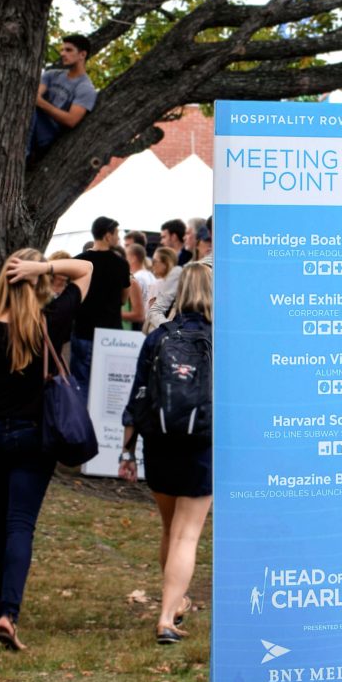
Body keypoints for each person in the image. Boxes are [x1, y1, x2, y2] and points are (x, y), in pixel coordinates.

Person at [0, 250, 92, 651]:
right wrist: (43, 267)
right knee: (20, 524)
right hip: (32, 436)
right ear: (38, 284)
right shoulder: (47, 323)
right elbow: (86, 268)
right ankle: (9, 612)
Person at [119, 263, 212, 644]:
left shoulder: (157, 338)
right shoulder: (222, 339)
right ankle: (166, 617)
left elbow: (137, 397)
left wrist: (127, 449)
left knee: (169, 529)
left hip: (158, 442)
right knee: (186, 536)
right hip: (201, 444)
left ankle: (175, 604)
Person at [70, 216, 130, 401]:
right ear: (107, 235)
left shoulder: (79, 261)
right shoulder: (120, 264)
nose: (118, 238)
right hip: (111, 334)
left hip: (83, 331)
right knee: (108, 386)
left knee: (81, 384)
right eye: (117, 233)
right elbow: (124, 298)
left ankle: (81, 426)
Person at [28, 34, 97, 159]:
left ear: (82, 55)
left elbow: (71, 120)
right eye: (62, 50)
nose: (63, 54)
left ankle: (22, 155)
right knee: (27, 107)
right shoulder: (51, 75)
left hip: (48, 134)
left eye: (68, 50)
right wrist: (38, 101)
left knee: (31, 110)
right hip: (32, 123)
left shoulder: (86, 88)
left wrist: (41, 103)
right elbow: (34, 97)